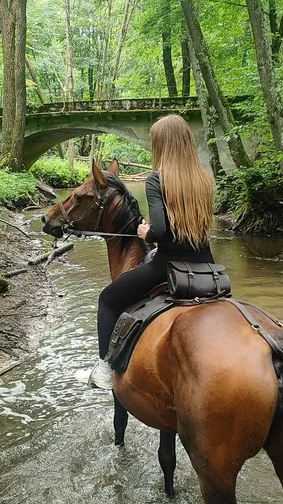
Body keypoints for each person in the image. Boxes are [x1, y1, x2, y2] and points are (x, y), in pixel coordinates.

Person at [77, 113, 215, 389]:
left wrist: (145, 233)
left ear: (162, 145)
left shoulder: (157, 180)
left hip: (168, 265)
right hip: (207, 265)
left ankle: (105, 367)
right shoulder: (204, 177)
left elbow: (161, 232)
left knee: (107, 299)